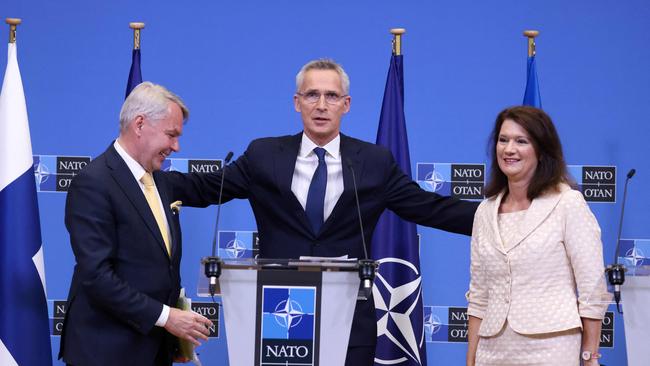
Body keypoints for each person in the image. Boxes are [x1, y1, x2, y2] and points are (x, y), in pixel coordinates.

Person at [165, 59, 479, 365]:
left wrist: (503, 216)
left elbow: (428, 207)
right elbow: (204, 187)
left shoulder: (373, 161)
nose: (321, 105)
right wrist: (139, 174)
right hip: (279, 313)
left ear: (347, 104)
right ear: (297, 102)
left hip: (349, 319)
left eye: (331, 96)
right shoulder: (264, 155)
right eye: (312, 95)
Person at [59, 82, 213, 366]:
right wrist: (168, 318)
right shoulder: (93, 183)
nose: (176, 147)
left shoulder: (159, 182)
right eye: (171, 135)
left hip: (153, 351)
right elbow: (97, 277)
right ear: (140, 124)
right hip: (105, 353)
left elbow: (209, 187)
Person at [465, 106, 610, 366]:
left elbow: (592, 290)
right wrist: (471, 359)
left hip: (551, 349)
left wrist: (590, 357)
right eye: (503, 140)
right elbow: (479, 297)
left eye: (521, 141)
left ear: (542, 150)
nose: (509, 149)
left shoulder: (567, 203)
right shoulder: (484, 212)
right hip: (492, 349)